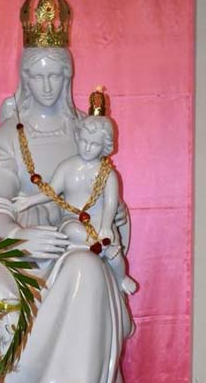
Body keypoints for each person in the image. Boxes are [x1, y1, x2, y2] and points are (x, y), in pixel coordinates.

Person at [0, 0, 137, 383]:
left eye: (55, 76)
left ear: (68, 76)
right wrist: (20, 238)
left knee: (84, 272)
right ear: (23, 78)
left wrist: (113, 224)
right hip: (21, 248)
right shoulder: (9, 136)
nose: (46, 87)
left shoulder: (86, 131)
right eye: (36, 77)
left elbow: (107, 197)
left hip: (77, 246)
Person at [12, 113, 137, 295]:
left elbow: (110, 203)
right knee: (72, 231)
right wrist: (29, 201)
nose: (87, 148)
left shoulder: (108, 174)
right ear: (77, 137)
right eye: (84, 141)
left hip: (101, 221)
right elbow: (51, 191)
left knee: (116, 256)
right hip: (73, 219)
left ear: (104, 147)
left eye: (94, 144)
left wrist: (105, 227)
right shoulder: (67, 167)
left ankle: (121, 278)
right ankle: (101, 248)